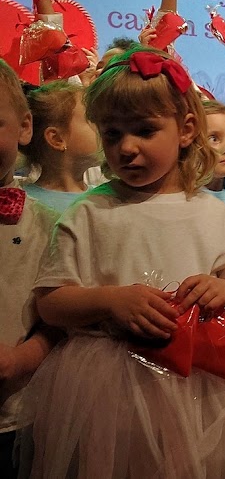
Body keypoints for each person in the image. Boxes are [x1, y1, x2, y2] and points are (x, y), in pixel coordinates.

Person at [17, 47, 225, 478]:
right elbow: (52, 303)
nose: (126, 147)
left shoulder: (217, 216)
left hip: (200, 387)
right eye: (112, 134)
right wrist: (110, 300)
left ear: (186, 129)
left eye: (144, 130)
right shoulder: (89, 213)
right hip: (108, 390)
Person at [0, 59, 61, 477]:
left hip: (17, 415)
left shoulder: (46, 225)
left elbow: (59, 318)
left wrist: (22, 358)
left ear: (25, 128)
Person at [19, 81, 100, 213]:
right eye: (92, 119)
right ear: (57, 139)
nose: (104, 127)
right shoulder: (25, 206)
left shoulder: (103, 198)